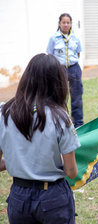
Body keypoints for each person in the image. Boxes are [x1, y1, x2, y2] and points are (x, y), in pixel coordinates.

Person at [0, 53, 80, 223]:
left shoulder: (4, 113)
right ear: (57, 83)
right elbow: (71, 172)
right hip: (53, 198)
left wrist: (20, 160)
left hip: (19, 197)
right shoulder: (61, 118)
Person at [47, 13, 84, 128]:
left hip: (74, 68)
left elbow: (78, 53)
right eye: (63, 22)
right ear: (59, 23)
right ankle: (61, 120)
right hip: (59, 69)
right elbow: (50, 54)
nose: (66, 25)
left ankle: (78, 123)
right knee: (59, 95)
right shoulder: (53, 38)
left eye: (68, 22)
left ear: (71, 24)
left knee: (76, 95)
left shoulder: (75, 38)